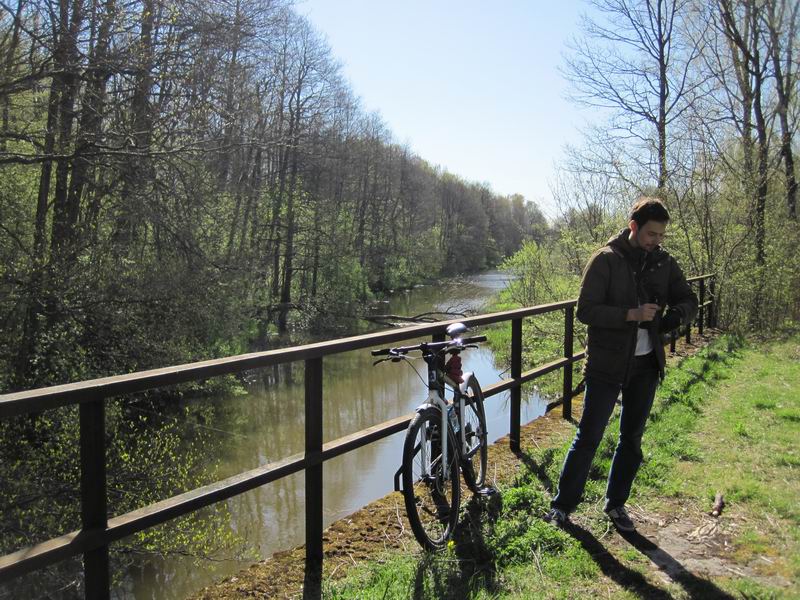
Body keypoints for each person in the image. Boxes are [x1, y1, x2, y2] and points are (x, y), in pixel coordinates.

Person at [545, 197, 698, 531]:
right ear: (634, 227)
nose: (656, 241)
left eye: (661, 235)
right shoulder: (605, 260)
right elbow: (585, 310)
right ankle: (562, 507)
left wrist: (673, 319)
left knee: (632, 439)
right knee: (589, 436)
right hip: (606, 364)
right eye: (651, 234)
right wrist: (630, 315)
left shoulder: (664, 263)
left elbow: (689, 300)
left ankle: (616, 505)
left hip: (646, 366)